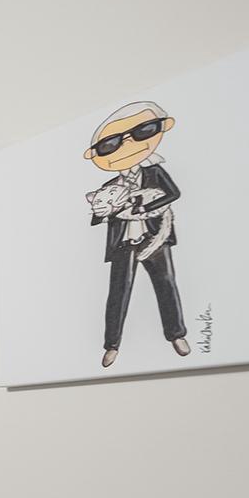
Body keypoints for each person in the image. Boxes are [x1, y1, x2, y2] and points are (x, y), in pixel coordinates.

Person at [85, 100, 190, 368]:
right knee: (118, 293)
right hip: (123, 243)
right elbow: (98, 218)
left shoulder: (153, 171)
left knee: (166, 285)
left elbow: (173, 193)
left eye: (144, 131)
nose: (128, 146)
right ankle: (112, 345)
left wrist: (141, 204)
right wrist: (105, 208)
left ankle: (176, 335)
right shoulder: (109, 185)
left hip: (155, 237)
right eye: (111, 144)